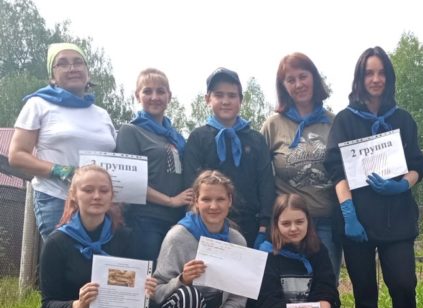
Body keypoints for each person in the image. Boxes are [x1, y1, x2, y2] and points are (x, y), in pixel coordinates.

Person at [324, 46, 423, 308]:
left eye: (381, 72)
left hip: (396, 219)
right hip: (357, 219)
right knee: (364, 288)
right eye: (369, 73)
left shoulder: (403, 119)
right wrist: (348, 212)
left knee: (403, 283)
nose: (375, 79)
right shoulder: (345, 120)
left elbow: (417, 165)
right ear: (359, 78)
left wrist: (404, 185)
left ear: (389, 77)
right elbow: (335, 169)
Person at [32, 165, 164, 308]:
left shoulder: (124, 236)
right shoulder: (58, 242)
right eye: (88, 190)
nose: (96, 196)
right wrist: (77, 305)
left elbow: (134, 281)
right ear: (74, 195)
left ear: (111, 196)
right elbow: (48, 303)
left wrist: (144, 290)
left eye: (104, 190)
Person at [154, 170, 256, 308]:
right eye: (206, 199)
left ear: (230, 201)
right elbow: (156, 292)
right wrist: (181, 280)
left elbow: (240, 293)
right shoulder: (178, 236)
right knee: (189, 296)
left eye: (220, 199)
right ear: (196, 202)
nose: (213, 206)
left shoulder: (237, 240)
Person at [9, 42, 116, 240]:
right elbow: (17, 156)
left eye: (78, 62)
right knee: (62, 264)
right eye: (63, 64)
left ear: (88, 73)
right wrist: (63, 171)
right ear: (52, 76)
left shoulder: (101, 114)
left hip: (98, 203)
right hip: (57, 198)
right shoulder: (38, 104)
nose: (72, 68)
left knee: (96, 265)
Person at [244, 193, 351, 308]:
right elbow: (268, 302)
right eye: (286, 223)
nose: (294, 228)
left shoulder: (318, 250)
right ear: (276, 225)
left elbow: (326, 288)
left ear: (308, 221)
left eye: (299, 222)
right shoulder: (266, 252)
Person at [261, 53, 341, 275]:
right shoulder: (272, 126)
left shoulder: (334, 123)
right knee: (288, 289)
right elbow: (261, 176)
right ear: (283, 86)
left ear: (314, 78)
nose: (298, 84)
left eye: (303, 76)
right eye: (290, 79)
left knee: (325, 288)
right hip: (286, 224)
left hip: (325, 222)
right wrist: (264, 222)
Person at [183, 67, 275, 248]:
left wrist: (265, 226)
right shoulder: (198, 138)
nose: (226, 101)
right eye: (219, 95)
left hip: (251, 225)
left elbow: (266, 183)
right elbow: (190, 184)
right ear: (208, 99)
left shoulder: (256, 139)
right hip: (209, 224)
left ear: (241, 100)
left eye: (232, 95)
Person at [116, 68, 193, 262]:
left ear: (169, 96)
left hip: (177, 220)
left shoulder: (177, 138)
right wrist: (170, 200)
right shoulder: (131, 131)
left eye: (160, 91)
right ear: (137, 96)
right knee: (147, 281)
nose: (154, 97)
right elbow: (129, 183)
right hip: (145, 219)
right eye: (147, 91)